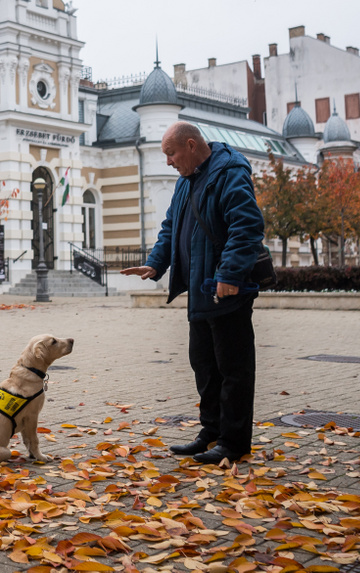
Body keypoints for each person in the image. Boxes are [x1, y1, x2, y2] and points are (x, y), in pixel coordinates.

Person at [121, 121, 266, 465]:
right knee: (204, 365)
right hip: (200, 292)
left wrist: (230, 274)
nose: (168, 161)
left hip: (226, 289)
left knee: (233, 369)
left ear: (190, 145)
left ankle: (233, 443)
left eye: (170, 153)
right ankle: (211, 432)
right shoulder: (186, 182)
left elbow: (247, 227)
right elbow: (171, 227)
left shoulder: (229, 172)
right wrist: (156, 263)